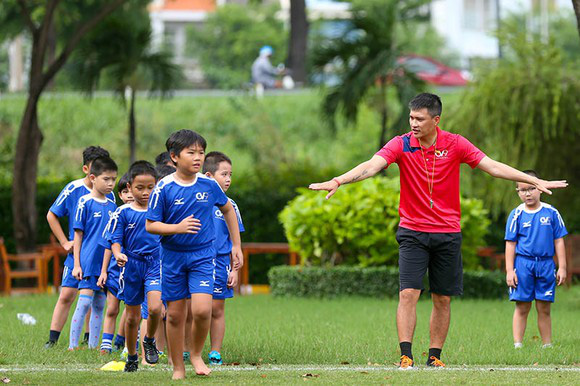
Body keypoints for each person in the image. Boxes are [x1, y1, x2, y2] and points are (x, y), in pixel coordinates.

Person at [309, 93, 568, 369]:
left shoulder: (455, 144)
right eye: (411, 117)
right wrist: (339, 180)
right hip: (412, 231)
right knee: (408, 293)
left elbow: (492, 167)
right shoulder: (401, 144)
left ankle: (435, 357)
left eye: (419, 118)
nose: (413, 123)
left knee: (442, 297)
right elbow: (372, 166)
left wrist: (533, 181)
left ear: (436, 120)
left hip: (447, 233)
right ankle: (405, 355)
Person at [146, 129, 243, 379]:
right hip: (173, 258)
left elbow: (228, 210)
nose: (198, 157)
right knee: (176, 315)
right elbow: (151, 225)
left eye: (201, 152)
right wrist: (177, 228)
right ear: (175, 156)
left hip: (203, 256)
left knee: (201, 310)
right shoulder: (163, 188)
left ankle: (197, 354)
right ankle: (178, 367)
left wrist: (236, 246)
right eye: (192, 152)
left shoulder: (209, 185)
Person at [45, 146, 115, 348]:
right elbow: (52, 215)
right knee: (67, 294)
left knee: (95, 297)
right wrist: (64, 242)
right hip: (78, 255)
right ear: (87, 170)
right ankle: (53, 339)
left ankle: (88, 339)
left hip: (99, 256)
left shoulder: (109, 194)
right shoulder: (74, 189)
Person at [107, 161, 162, 372]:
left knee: (156, 308)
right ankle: (131, 356)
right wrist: (118, 253)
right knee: (132, 317)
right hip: (131, 266)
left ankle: (149, 340)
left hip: (155, 264)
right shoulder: (122, 213)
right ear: (129, 187)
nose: (146, 192)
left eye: (150, 187)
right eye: (140, 188)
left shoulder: (160, 211)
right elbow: (115, 239)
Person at [505, 170, 567, 349]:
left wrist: (562, 267)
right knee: (522, 306)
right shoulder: (516, 214)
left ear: (540, 188)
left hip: (546, 264)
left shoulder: (551, 213)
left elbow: (559, 240)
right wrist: (510, 270)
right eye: (522, 190)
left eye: (531, 188)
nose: (527, 193)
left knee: (544, 307)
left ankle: (547, 345)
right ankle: (518, 345)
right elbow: (510, 244)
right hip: (523, 264)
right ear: (517, 192)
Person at [68, 156, 118, 350]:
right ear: (93, 177)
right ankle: (73, 346)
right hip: (88, 262)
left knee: (99, 305)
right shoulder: (84, 202)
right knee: (84, 303)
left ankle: (92, 347)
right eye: (106, 179)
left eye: (113, 179)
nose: (111, 183)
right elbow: (78, 236)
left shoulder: (113, 206)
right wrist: (77, 264)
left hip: (105, 264)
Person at [203, 151, 245, 366]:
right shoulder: (196, 201)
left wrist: (234, 269)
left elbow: (234, 242)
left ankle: (215, 352)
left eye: (230, 175)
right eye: (224, 174)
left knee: (217, 310)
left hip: (220, 264)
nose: (228, 179)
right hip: (197, 261)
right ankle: (185, 349)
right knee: (193, 309)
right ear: (209, 176)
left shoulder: (231, 206)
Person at [99, 173, 134, 354]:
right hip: (114, 271)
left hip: (134, 270)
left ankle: (127, 344)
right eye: (124, 191)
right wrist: (103, 271)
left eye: (131, 191)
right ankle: (106, 344)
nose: (129, 195)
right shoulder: (116, 215)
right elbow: (107, 245)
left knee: (131, 309)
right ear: (119, 195)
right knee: (112, 308)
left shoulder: (143, 215)